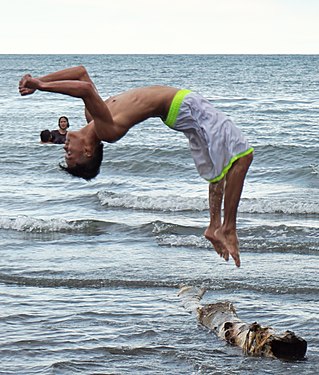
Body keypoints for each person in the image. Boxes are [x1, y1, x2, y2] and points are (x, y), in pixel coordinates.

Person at [19, 65, 254, 267]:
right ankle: (228, 228)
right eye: (70, 155)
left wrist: (39, 81)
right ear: (88, 151)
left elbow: (81, 74)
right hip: (184, 105)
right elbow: (86, 89)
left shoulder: (93, 118)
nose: (65, 148)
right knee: (243, 155)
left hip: (181, 113)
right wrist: (40, 85)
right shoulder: (105, 130)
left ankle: (214, 226)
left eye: (66, 152)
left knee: (218, 169)